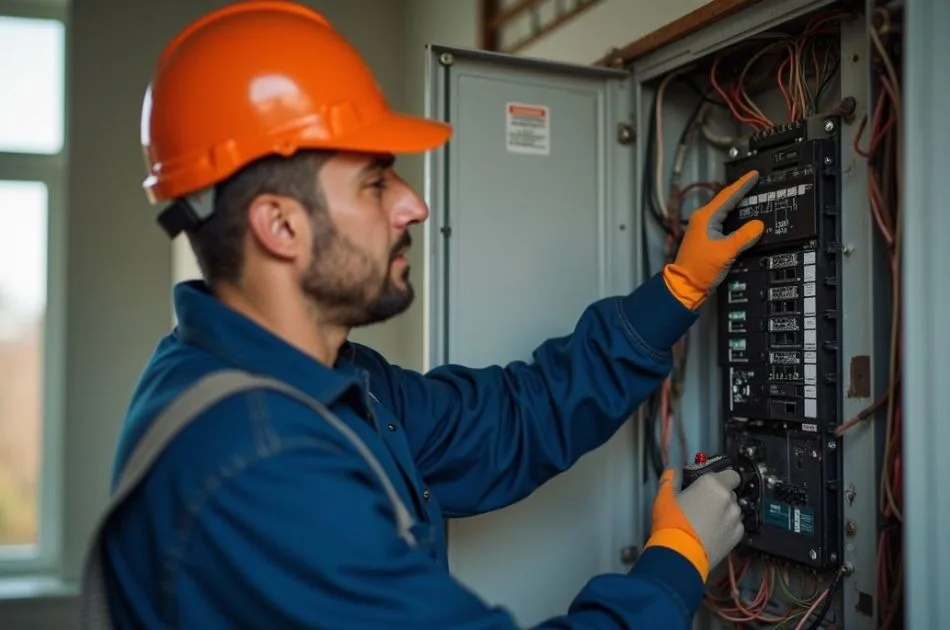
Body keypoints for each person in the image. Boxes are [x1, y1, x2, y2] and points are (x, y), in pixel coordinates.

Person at [85, 2, 765, 628]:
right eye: (376, 182)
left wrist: (678, 288)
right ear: (281, 227)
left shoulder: (327, 385)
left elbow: (514, 417)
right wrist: (675, 563)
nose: (414, 204)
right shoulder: (262, 463)